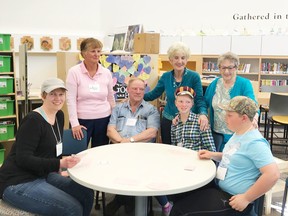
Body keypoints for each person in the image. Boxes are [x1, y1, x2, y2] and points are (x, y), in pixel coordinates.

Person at [170, 96, 280, 216]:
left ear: (243, 118)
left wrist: (246, 198)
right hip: (220, 189)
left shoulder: (255, 143)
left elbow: (272, 174)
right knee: (180, 195)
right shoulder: (239, 133)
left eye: (229, 115)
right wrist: (213, 155)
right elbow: (235, 157)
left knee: (179, 210)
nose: (224, 117)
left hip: (233, 199)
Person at [0, 78, 94, 216]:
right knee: (72, 209)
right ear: (43, 96)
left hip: (42, 174)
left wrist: (59, 168)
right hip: (17, 181)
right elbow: (23, 159)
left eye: (61, 94)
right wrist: (60, 163)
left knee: (86, 192)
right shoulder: (33, 120)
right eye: (52, 94)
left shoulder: (59, 115)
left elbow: (52, 148)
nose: (58, 98)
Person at [106, 77, 172, 216]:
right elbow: (110, 130)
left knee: (143, 169)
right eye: (134, 88)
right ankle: (124, 199)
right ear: (128, 90)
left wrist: (129, 140)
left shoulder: (151, 110)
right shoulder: (118, 108)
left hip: (142, 152)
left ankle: (124, 200)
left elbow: (152, 132)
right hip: (119, 150)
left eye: (141, 89)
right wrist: (121, 143)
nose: (138, 91)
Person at [144, 41, 208, 144]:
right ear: (170, 60)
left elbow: (199, 99)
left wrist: (203, 114)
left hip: (188, 122)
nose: (179, 61)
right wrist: (136, 97)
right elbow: (153, 94)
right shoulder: (165, 77)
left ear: (187, 60)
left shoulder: (194, 76)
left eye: (183, 58)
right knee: (168, 151)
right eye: (176, 57)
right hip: (168, 120)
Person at [66, 37, 115, 147]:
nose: (96, 54)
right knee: (77, 153)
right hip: (82, 120)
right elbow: (70, 100)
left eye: (98, 51)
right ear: (83, 53)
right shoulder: (74, 72)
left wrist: (114, 120)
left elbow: (110, 98)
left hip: (104, 119)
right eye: (93, 51)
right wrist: (74, 123)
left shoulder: (106, 72)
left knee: (100, 153)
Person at [205, 51, 258, 151]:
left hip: (237, 135)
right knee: (217, 162)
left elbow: (252, 104)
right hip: (216, 134)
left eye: (230, 68)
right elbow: (203, 102)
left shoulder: (244, 84)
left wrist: (254, 117)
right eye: (223, 67)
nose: (226, 71)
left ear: (236, 68)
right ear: (219, 68)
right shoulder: (214, 84)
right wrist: (202, 114)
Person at [171, 86, 216, 152]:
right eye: (180, 101)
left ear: (192, 104)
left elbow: (211, 150)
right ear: (176, 103)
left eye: (188, 102)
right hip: (180, 158)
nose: (184, 105)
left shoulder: (201, 122)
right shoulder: (175, 123)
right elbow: (174, 147)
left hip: (196, 159)